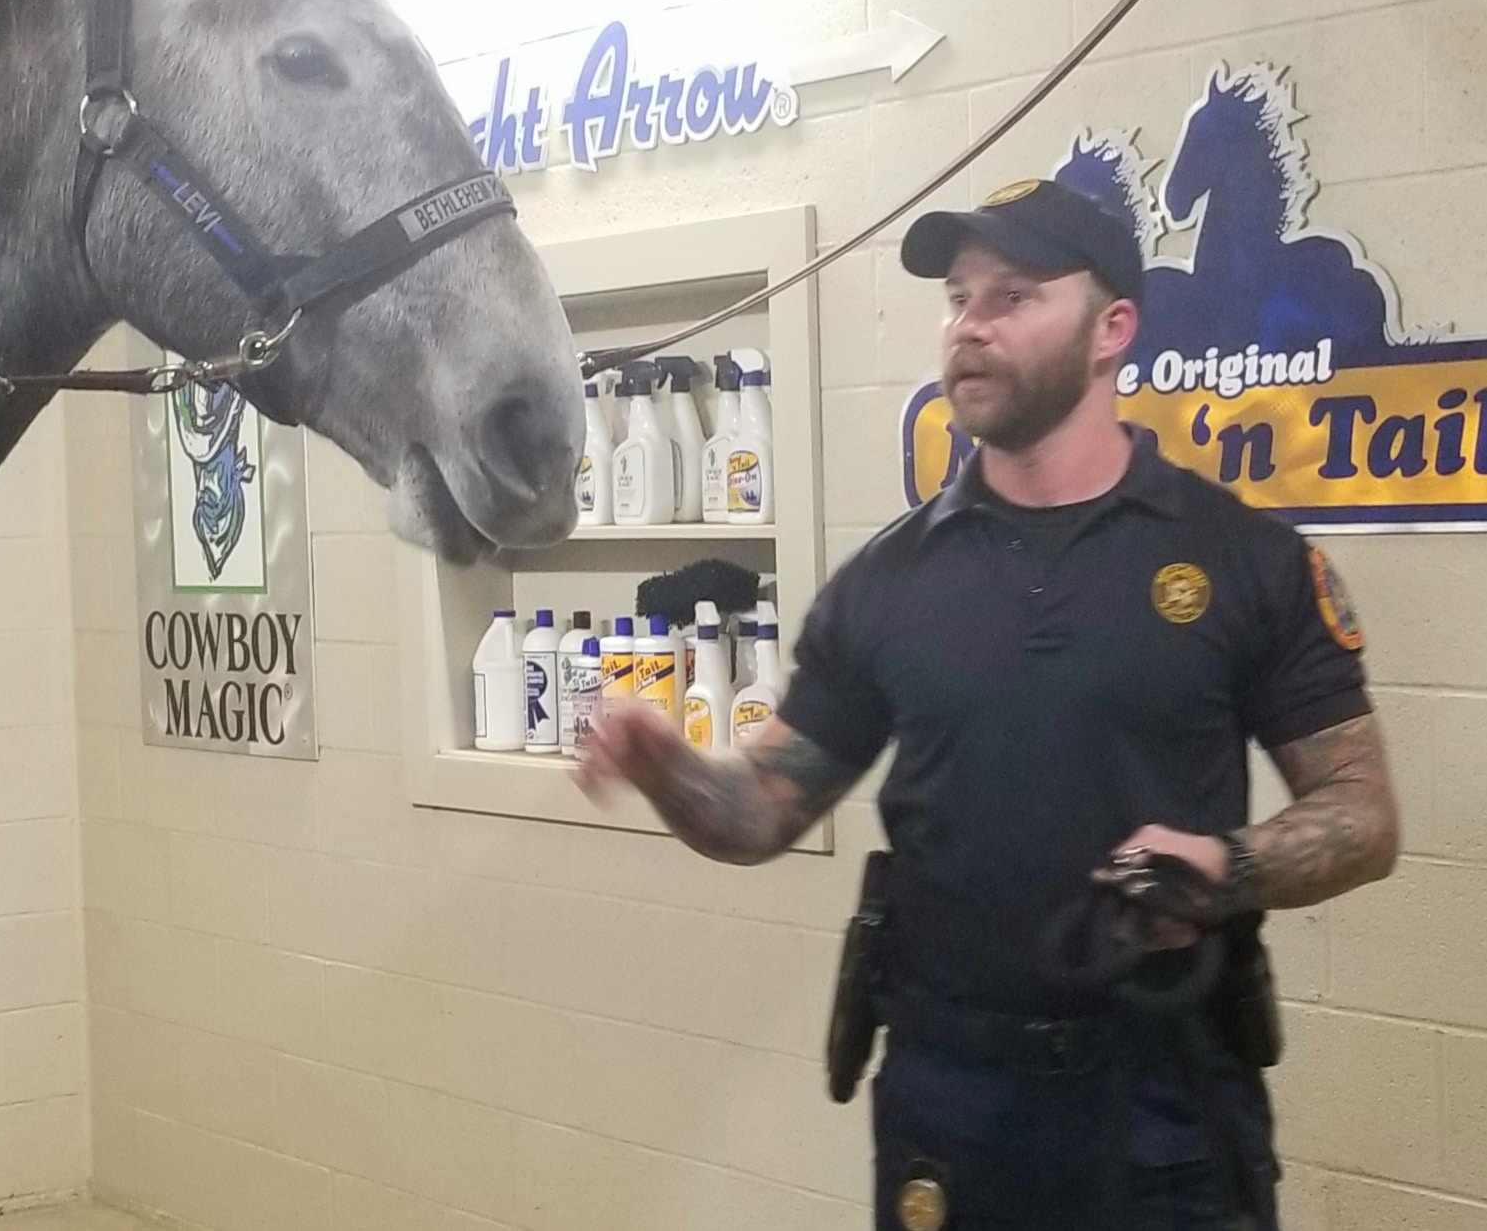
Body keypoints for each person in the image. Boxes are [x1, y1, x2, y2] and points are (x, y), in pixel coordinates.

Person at [580, 178, 1399, 1230]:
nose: (969, 325)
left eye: (1012, 296)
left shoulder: (1243, 559)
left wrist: (1230, 866)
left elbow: (1364, 813)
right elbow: (762, 810)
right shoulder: (888, 581)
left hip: (1165, 1098)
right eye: (959, 296)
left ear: (1113, 330)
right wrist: (664, 761)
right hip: (954, 1102)